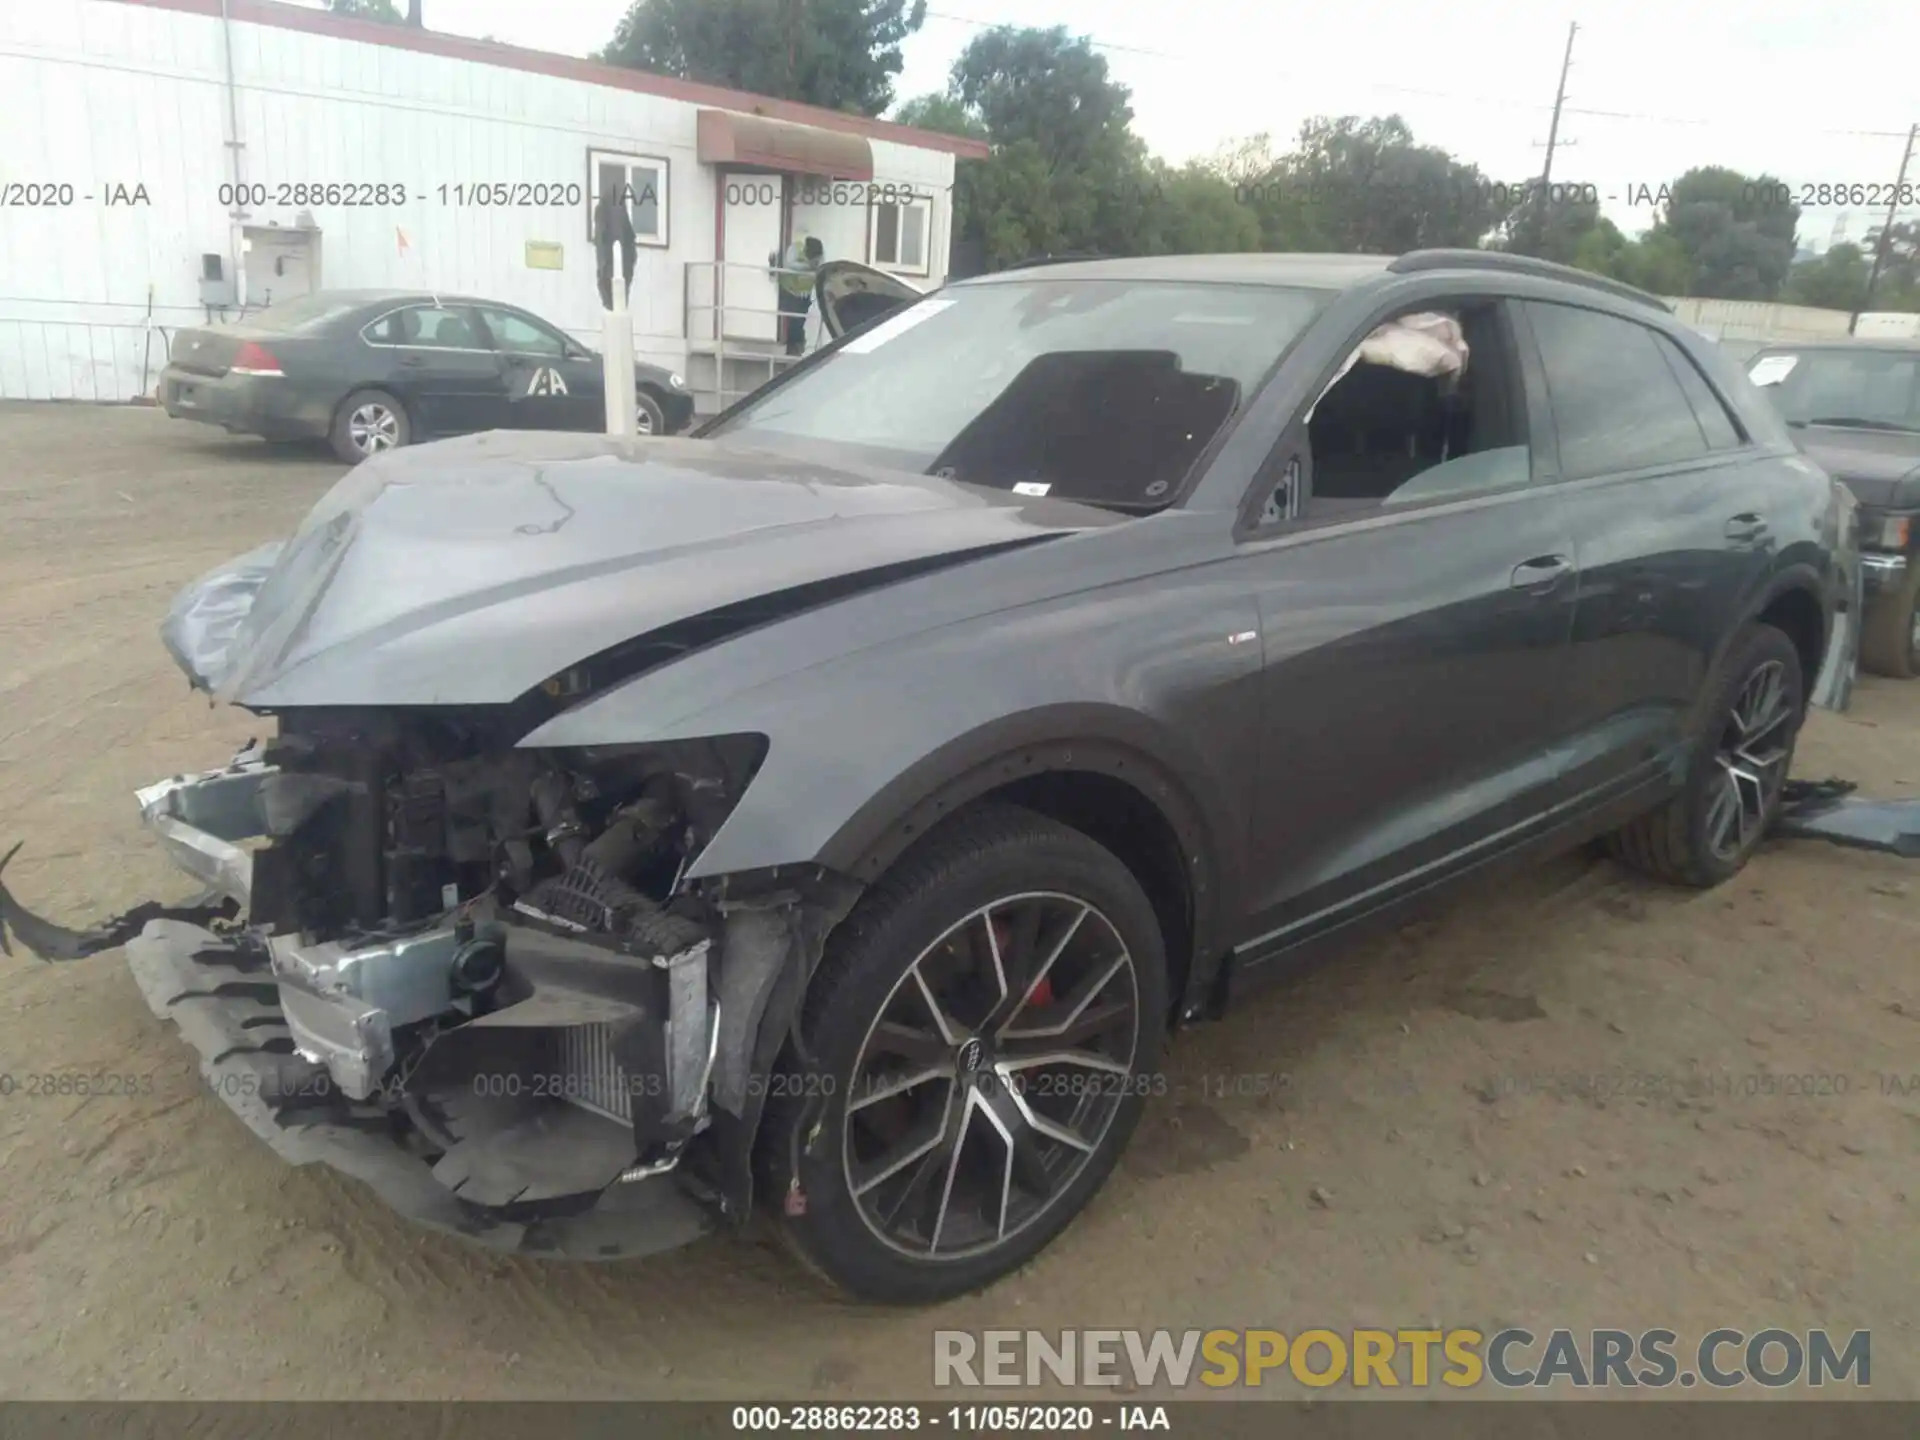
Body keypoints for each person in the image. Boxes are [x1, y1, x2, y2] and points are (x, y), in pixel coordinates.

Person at [773, 234, 824, 356]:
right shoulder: (795, 249)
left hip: (804, 294)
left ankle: (796, 348)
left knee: (799, 322)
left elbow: (821, 267)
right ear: (806, 250)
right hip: (789, 290)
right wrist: (808, 267)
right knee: (794, 321)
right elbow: (789, 265)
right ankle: (794, 349)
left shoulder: (819, 254)